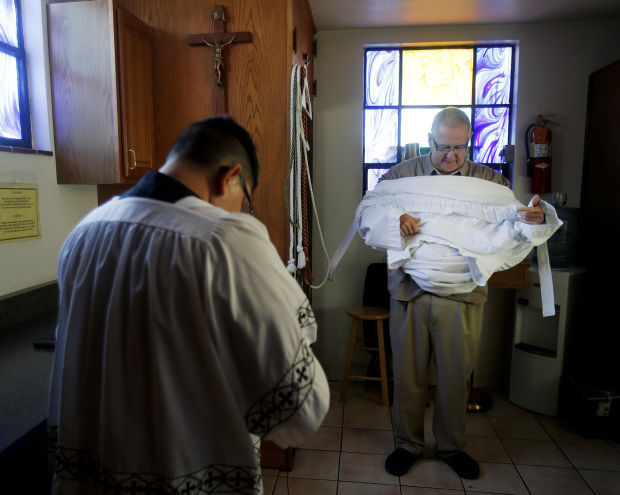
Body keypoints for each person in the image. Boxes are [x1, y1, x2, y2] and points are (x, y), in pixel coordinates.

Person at [48, 116, 329, 495]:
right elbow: (300, 410)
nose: (241, 212)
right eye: (245, 200)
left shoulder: (83, 232)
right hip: (185, 476)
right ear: (229, 176)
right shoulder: (223, 238)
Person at [380, 107, 544, 479]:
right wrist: (394, 221)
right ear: (429, 140)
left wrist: (531, 220)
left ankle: (452, 447)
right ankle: (408, 444)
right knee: (408, 376)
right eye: (443, 147)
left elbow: (512, 228)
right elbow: (371, 214)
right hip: (411, 291)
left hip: (464, 294)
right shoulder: (402, 177)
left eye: (459, 148)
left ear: (468, 143)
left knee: (456, 376)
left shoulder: (490, 185)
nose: (451, 156)